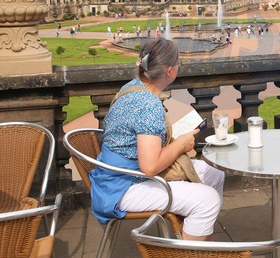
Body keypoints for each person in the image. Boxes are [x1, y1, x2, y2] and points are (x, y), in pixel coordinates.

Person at [89, 38, 225, 240]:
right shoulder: (148, 105)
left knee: (214, 174)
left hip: (117, 176)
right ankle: (189, 251)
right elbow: (150, 167)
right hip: (123, 187)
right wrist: (181, 144)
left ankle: (202, 238)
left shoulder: (132, 87)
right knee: (208, 200)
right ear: (170, 71)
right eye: (178, 63)